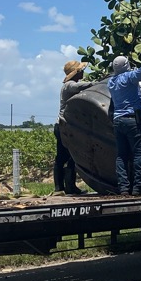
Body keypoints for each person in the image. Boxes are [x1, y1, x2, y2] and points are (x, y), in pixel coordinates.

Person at [108, 53, 141, 196]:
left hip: (118, 121)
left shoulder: (111, 82)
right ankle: (138, 187)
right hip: (132, 120)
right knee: (138, 154)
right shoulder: (129, 78)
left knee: (121, 155)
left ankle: (123, 188)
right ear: (126, 65)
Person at [54, 60, 91, 195]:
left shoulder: (67, 86)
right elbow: (87, 85)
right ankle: (70, 187)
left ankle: (59, 188)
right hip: (66, 127)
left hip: (60, 125)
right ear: (77, 73)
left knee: (61, 157)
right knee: (71, 157)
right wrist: (99, 82)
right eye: (81, 71)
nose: (83, 72)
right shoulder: (70, 85)